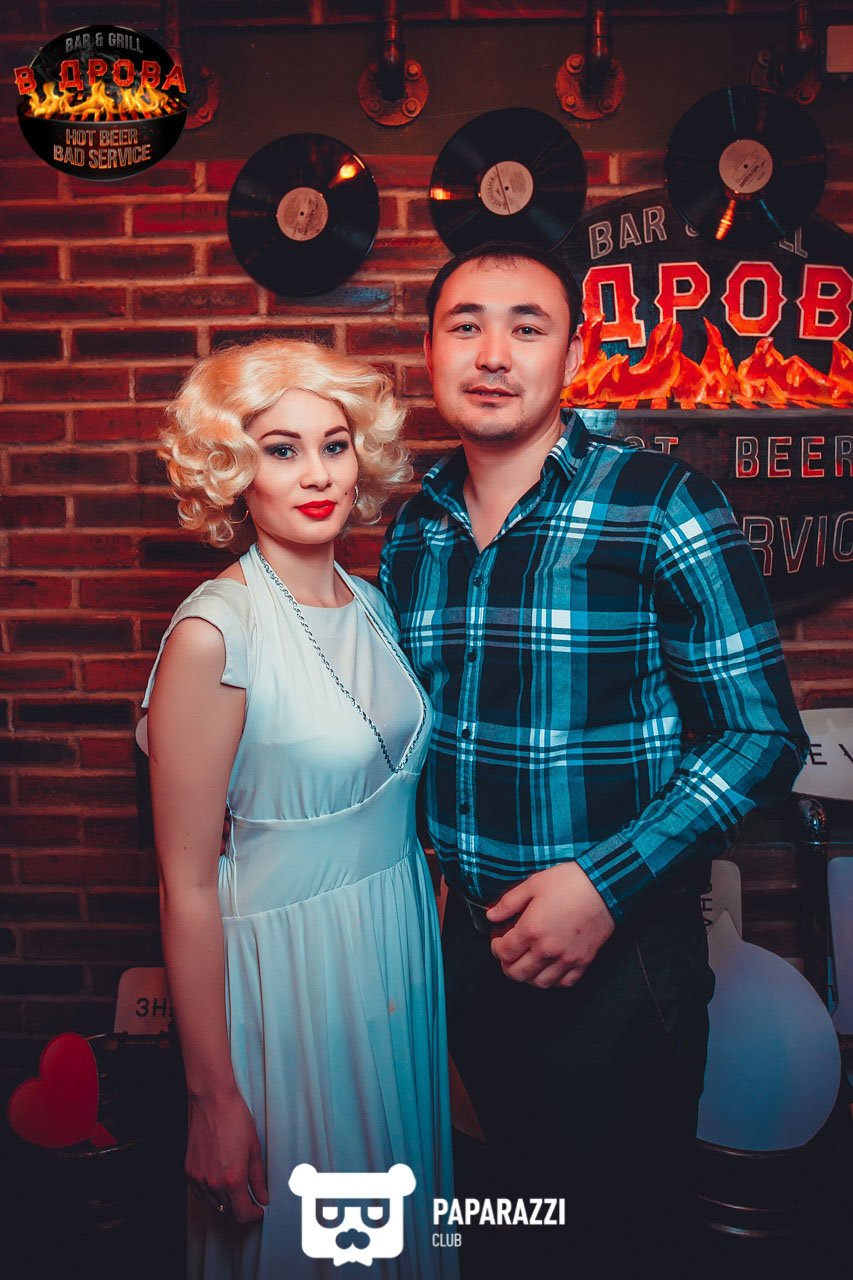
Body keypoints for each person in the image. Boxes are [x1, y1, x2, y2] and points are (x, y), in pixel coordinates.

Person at [379, 242, 809, 1275]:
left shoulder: (659, 500)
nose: (493, 353)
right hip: (465, 954)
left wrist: (602, 884)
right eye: (465, 325)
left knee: (618, 1241)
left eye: (526, 326)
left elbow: (762, 736)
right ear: (428, 350)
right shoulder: (412, 531)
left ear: (571, 355)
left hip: (623, 964)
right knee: (509, 1224)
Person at [142, 339, 458, 1280]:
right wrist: (211, 1100)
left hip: (392, 956)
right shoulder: (215, 633)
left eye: (334, 444)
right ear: (234, 469)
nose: (316, 475)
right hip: (289, 977)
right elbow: (185, 885)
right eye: (281, 450)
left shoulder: (374, 603)